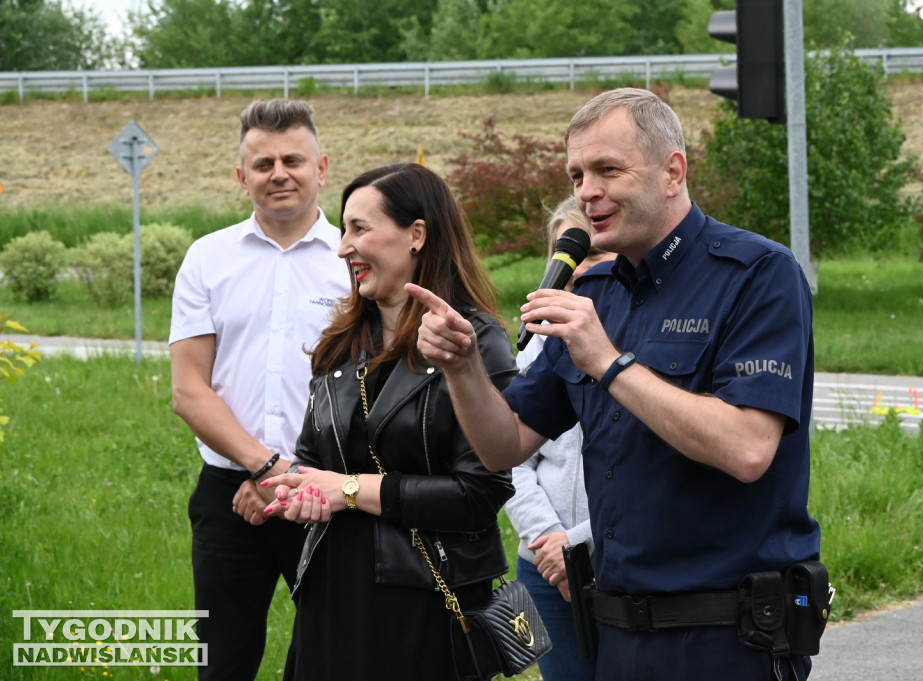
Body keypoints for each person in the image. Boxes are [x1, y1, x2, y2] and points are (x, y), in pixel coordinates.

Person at [409, 87, 821, 681]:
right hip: (615, 634)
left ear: (672, 172)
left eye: (608, 170)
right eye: (577, 174)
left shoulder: (758, 274)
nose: (586, 192)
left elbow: (748, 448)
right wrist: (462, 368)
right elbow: (504, 445)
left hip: (727, 638)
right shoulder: (593, 294)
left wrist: (610, 362)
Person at [259, 162, 518, 680]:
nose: (342, 248)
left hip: (427, 599)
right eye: (342, 230)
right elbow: (314, 462)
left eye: (360, 229)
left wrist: (350, 490)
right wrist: (300, 492)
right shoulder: (340, 345)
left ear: (416, 235)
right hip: (332, 591)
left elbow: (478, 494)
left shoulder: (472, 340)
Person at [169, 98, 350, 681]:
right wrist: (266, 468)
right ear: (240, 176)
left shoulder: (356, 259)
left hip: (332, 494)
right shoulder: (207, 258)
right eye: (263, 162)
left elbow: (376, 382)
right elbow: (189, 389)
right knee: (222, 662)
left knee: (335, 658)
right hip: (231, 496)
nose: (279, 173)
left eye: (293, 159)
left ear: (321, 168)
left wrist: (295, 478)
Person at [503, 195, 612, 681]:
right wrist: (548, 540)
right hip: (544, 565)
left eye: (587, 253)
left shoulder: (640, 344)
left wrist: (579, 544)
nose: (571, 268)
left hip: (610, 558)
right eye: (563, 254)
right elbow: (512, 460)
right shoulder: (537, 347)